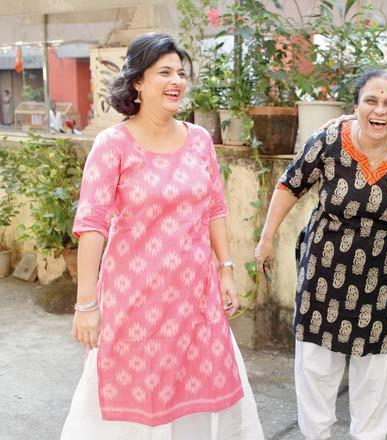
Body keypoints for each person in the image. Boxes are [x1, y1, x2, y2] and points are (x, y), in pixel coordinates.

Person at [60, 33, 264, 440]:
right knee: (136, 394)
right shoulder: (112, 145)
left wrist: (225, 270)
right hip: (134, 299)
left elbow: (214, 209)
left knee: (200, 386)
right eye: (165, 72)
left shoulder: (199, 141)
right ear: (137, 81)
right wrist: (86, 303)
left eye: (181, 73)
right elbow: (92, 225)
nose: (177, 82)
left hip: (194, 295)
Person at [255, 69, 387, 440]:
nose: (380, 111)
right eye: (371, 101)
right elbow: (290, 184)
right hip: (325, 268)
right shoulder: (329, 139)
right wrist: (266, 238)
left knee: (376, 371)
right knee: (316, 365)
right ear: (356, 105)